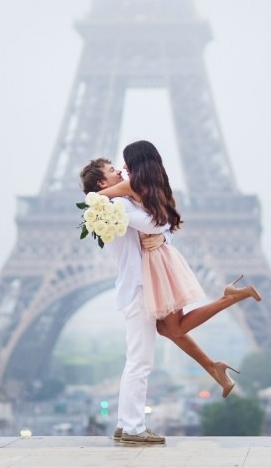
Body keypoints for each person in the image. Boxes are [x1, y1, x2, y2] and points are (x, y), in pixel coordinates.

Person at [96, 140, 261, 392]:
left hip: (158, 267)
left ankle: (229, 299)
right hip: (161, 262)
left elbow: (97, 198)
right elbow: (168, 223)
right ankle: (213, 366)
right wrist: (162, 233)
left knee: (173, 327)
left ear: (135, 162)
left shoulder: (130, 186)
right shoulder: (159, 188)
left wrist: (101, 197)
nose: (122, 168)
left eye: (126, 162)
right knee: (166, 328)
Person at [80, 157, 167, 445]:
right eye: (111, 171)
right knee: (140, 363)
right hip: (139, 289)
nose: (119, 171)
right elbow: (158, 221)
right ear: (102, 183)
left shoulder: (113, 204)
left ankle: (124, 424)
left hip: (136, 288)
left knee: (136, 361)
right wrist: (131, 189)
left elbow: (158, 227)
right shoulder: (117, 205)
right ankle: (132, 428)